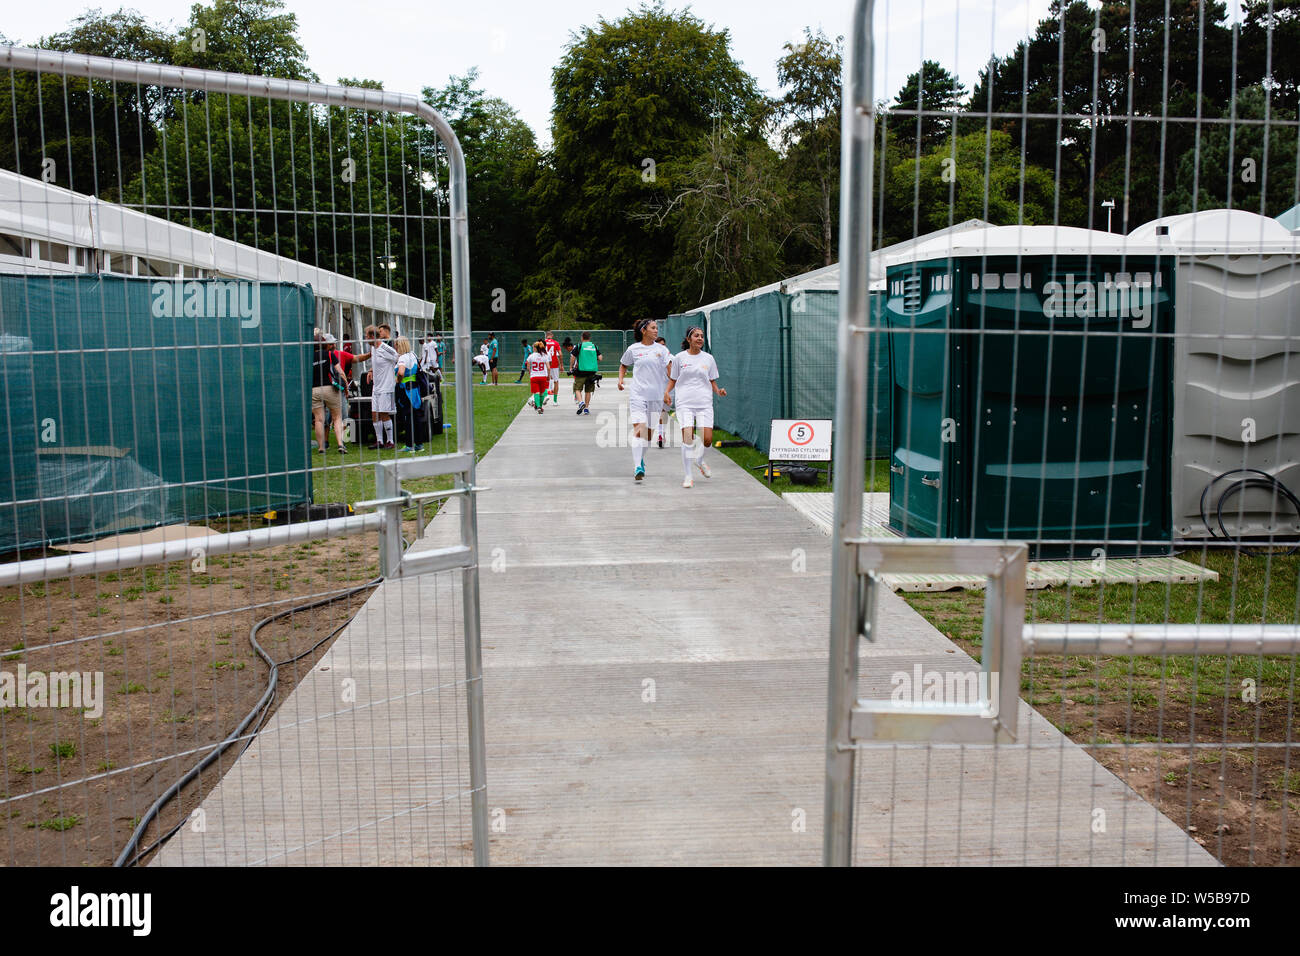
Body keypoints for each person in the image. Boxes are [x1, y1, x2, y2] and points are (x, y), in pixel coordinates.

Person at [664, 325, 726, 489]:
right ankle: (688, 476)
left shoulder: (708, 358)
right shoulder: (679, 358)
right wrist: (666, 392)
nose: (700, 338)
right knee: (688, 438)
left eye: (702, 336)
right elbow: (673, 379)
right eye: (696, 336)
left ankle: (699, 461)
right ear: (688, 339)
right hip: (685, 403)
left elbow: (712, 379)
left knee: (707, 440)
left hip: (704, 403)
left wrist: (718, 391)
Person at [618, 318, 672, 481]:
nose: (656, 331)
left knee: (648, 435)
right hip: (638, 395)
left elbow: (671, 370)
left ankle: (640, 457)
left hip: (656, 396)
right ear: (644, 331)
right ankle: (637, 467)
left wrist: (668, 390)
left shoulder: (661, 350)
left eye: (657, 328)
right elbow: (623, 364)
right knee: (639, 429)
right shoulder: (634, 349)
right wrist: (620, 380)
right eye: (653, 328)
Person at [356, 325, 399, 449]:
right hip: (376, 386)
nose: (365, 338)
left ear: (373, 337)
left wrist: (393, 375)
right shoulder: (373, 349)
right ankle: (379, 441)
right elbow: (376, 363)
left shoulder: (385, 348)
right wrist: (371, 371)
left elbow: (398, 358)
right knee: (374, 413)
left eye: (367, 336)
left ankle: (390, 441)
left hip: (386, 386)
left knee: (384, 413)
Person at [310, 330, 348, 455]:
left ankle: (321, 447)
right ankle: (340, 444)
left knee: (319, 420)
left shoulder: (308, 357)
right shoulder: (330, 355)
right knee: (337, 418)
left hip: (314, 390)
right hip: (330, 388)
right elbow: (340, 372)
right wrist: (346, 386)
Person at [393, 336, 426, 452]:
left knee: (408, 417)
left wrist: (397, 380)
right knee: (416, 417)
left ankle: (409, 445)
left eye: (396, 345)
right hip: (415, 389)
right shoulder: (413, 355)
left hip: (405, 390)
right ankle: (419, 444)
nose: (395, 347)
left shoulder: (402, 358)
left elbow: (401, 372)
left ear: (399, 345)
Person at [571, 331, 602, 415]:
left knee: (577, 389)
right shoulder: (594, 346)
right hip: (591, 372)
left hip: (581, 371)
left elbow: (573, 356)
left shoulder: (579, 346)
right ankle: (586, 408)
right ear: (589, 338)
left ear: (582, 337)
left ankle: (581, 402)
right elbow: (600, 358)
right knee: (588, 391)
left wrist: (571, 367)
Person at [654, 336, 670, 447]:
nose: (661, 347)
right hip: (655, 389)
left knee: (664, 413)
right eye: (659, 345)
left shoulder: (670, 357)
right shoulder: (652, 358)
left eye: (663, 344)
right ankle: (660, 434)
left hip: (667, 389)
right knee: (661, 412)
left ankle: (661, 434)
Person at [527, 340, 550, 413]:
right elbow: (548, 368)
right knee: (542, 393)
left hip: (534, 376)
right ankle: (540, 406)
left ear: (535, 348)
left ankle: (538, 407)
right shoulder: (545, 355)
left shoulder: (531, 356)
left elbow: (528, 366)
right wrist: (548, 376)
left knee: (536, 392)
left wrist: (530, 372)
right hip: (543, 376)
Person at [544, 330, 562, 405]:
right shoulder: (556, 343)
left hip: (546, 363)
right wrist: (561, 364)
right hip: (554, 364)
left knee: (545, 381)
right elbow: (560, 354)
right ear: (552, 335)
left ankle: (545, 396)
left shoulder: (543, 342)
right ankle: (555, 401)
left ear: (546, 336)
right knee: (556, 381)